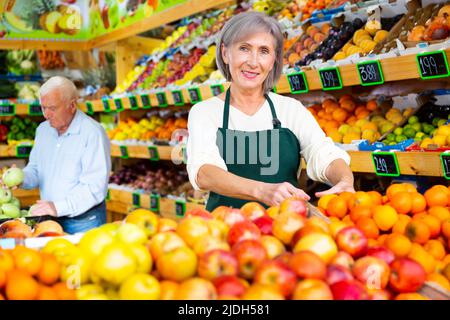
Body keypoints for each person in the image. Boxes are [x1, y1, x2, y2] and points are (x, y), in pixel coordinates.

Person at [186, 12, 355, 211]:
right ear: (225, 53)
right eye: (244, 48)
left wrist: (344, 178)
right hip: (224, 231)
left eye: (264, 51)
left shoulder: (290, 110)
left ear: (274, 60)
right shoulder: (205, 112)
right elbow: (203, 172)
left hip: (283, 229)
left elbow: (322, 152)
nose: (253, 62)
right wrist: (262, 191)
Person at [21, 76, 111, 234]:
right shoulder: (43, 130)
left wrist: (58, 207)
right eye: (43, 108)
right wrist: (21, 178)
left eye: (52, 108)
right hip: (49, 218)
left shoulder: (92, 133)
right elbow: (36, 169)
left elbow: (94, 187)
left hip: (83, 221)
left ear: (72, 105)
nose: (46, 114)